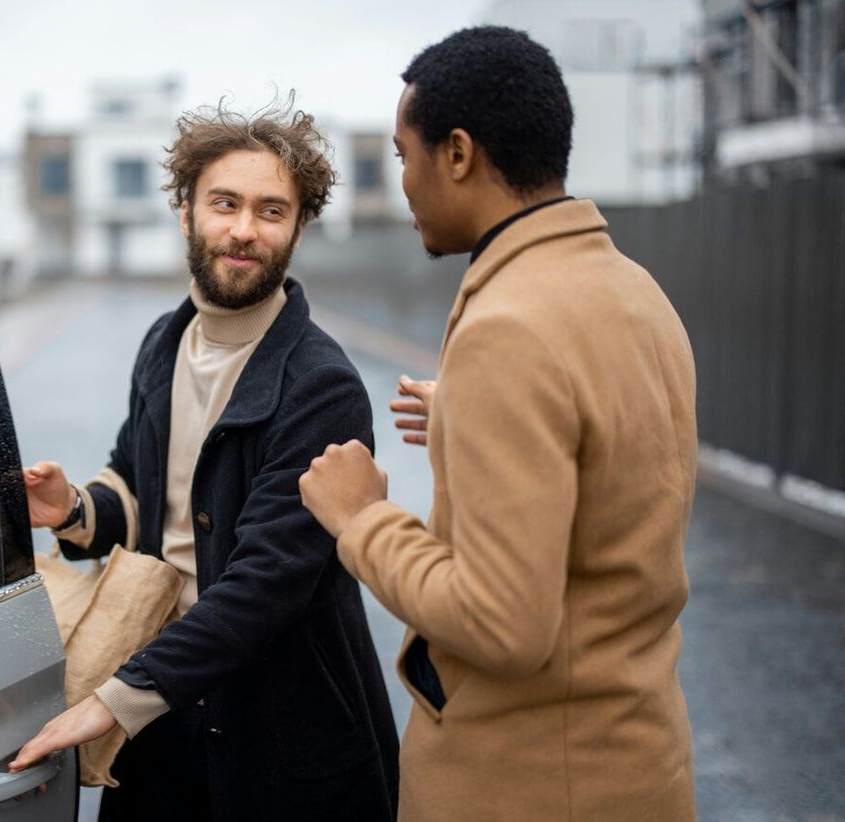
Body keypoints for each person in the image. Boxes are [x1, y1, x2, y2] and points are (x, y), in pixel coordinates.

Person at [299, 26, 697, 821]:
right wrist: (471, 423)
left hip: (533, 786)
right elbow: (612, 461)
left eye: (404, 154)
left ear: (458, 153)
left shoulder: (508, 329)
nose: (402, 180)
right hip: (639, 763)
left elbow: (502, 623)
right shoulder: (632, 289)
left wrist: (363, 521)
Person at [10, 98, 399, 822]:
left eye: (271, 211)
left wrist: (112, 702)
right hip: (166, 719)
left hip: (282, 735)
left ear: (299, 228)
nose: (244, 230)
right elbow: (139, 483)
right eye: (224, 203)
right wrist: (73, 509)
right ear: (186, 213)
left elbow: (265, 584)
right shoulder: (166, 341)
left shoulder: (321, 386)